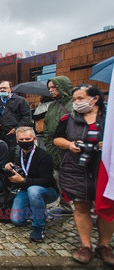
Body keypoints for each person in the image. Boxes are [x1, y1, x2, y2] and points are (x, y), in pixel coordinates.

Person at [53, 84, 113, 265]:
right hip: (76, 168)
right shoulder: (68, 118)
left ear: (94, 99)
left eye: (80, 98)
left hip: (103, 169)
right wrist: (70, 145)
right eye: (75, 99)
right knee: (81, 206)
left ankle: (104, 246)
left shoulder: (109, 119)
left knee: (106, 207)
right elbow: (57, 138)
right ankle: (86, 245)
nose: (77, 102)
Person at [5, 127, 59, 242]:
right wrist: (7, 168)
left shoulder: (44, 156)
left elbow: (47, 180)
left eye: (27, 139)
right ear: (16, 139)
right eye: (21, 139)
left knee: (33, 191)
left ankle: (39, 227)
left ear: (34, 139)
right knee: (16, 220)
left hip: (46, 190)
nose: (24, 142)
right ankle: (35, 209)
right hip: (24, 189)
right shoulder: (14, 152)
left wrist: (24, 181)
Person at [43, 76, 74, 215]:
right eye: (49, 88)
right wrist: (49, 145)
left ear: (62, 87)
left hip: (72, 149)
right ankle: (66, 207)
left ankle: (88, 211)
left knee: (75, 180)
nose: (51, 91)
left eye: (53, 88)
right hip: (54, 149)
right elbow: (46, 128)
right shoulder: (52, 106)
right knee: (59, 179)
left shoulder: (74, 104)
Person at [0, 81, 32, 148]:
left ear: (10, 89)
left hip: (15, 136)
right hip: (0, 136)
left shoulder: (21, 101)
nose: (2, 90)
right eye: (0, 88)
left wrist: (16, 129)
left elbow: (27, 117)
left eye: (4, 88)